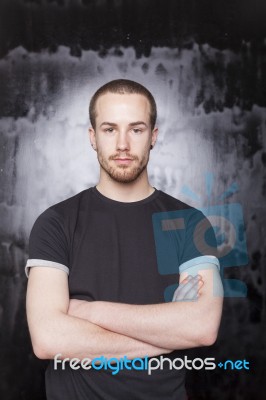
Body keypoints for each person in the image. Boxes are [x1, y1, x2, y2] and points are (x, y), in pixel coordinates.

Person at [26, 79, 223, 400]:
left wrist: (89, 312)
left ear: (153, 136)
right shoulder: (55, 223)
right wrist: (169, 334)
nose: (122, 144)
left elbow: (202, 328)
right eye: (108, 129)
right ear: (92, 137)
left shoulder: (191, 224)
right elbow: (48, 340)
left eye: (136, 129)